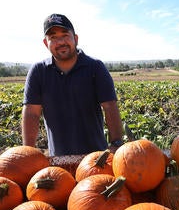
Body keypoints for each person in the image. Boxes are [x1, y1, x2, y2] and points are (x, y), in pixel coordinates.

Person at [22, 13, 124, 156]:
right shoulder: (39, 71)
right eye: (53, 38)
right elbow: (32, 113)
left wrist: (117, 143)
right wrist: (27, 153)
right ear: (46, 43)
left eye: (65, 35)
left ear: (75, 38)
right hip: (58, 161)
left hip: (96, 160)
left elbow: (110, 106)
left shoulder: (95, 68)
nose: (61, 42)